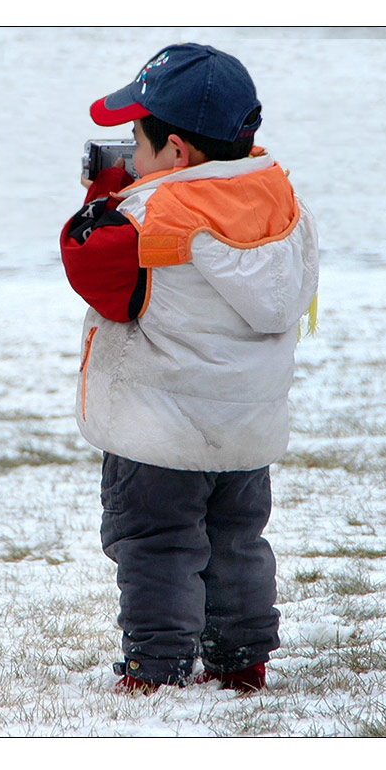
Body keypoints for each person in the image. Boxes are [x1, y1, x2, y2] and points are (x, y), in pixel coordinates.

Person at [59, 43, 319, 694]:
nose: (129, 157)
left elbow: (88, 260)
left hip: (159, 431)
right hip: (244, 428)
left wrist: (104, 200)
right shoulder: (282, 203)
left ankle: (157, 667)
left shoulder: (143, 220)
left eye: (136, 143)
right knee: (236, 542)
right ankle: (240, 662)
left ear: (175, 153)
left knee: (157, 544)